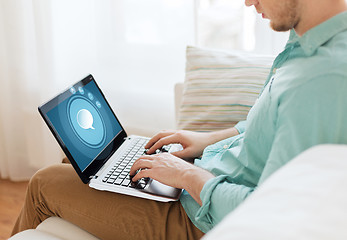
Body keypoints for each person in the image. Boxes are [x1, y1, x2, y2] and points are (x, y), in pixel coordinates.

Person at [12, 0, 347, 239]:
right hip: (204, 181)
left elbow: (272, 213)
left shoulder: (322, 78)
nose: (247, 3)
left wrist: (188, 176)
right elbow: (270, 129)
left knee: (44, 183)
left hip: (200, 219)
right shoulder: (308, 44)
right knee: (85, 166)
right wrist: (206, 140)